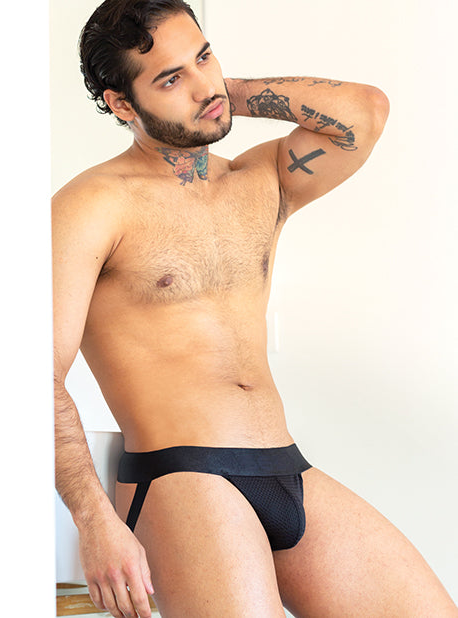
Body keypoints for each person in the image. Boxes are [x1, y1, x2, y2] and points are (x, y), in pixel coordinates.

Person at [52, 1, 458, 616]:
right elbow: (34, 375)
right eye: (171, 79)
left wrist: (219, 94)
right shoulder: (92, 206)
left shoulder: (260, 178)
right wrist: (94, 519)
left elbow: (365, 111)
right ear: (123, 105)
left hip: (288, 466)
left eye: (204, 57)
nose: (201, 84)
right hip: (182, 477)